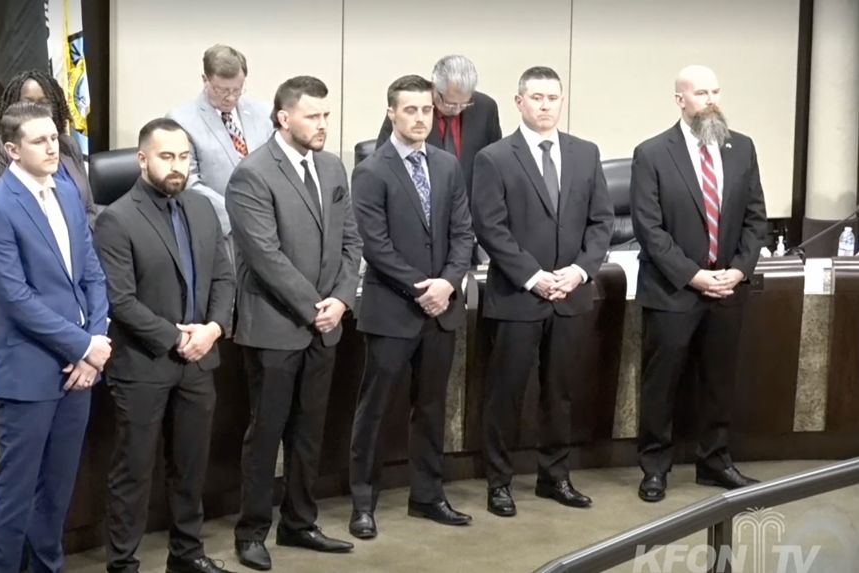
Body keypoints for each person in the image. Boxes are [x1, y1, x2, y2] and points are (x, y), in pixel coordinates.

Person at [0, 101, 111, 573]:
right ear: (12, 150)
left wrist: (96, 340)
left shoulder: (68, 190)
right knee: (15, 494)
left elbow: (91, 272)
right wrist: (83, 345)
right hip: (30, 373)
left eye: (54, 138)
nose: (53, 147)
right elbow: (16, 298)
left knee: (57, 492)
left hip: (79, 371)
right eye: (39, 141)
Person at [227, 76, 362, 571]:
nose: (323, 125)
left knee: (309, 432)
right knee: (267, 433)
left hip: (325, 326)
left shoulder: (332, 167)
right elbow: (265, 256)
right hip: (275, 327)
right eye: (313, 116)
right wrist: (315, 305)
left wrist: (342, 300)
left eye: (326, 116)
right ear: (284, 118)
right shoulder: (252, 174)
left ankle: (300, 523)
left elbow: (351, 243)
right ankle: (252, 531)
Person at [95, 118, 236, 573]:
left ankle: (187, 554)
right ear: (142, 159)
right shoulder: (117, 218)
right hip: (143, 364)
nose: (176, 167)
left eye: (183, 157)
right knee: (134, 472)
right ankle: (123, 563)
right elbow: (121, 300)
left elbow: (224, 276)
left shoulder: (201, 208)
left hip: (199, 360)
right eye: (166, 157)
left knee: (190, 467)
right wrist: (176, 337)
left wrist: (213, 328)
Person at [471, 66, 612, 518]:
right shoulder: (494, 158)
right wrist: (534, 277)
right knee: (506, 392)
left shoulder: (586, 154)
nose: (546, 105)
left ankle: (556, 477)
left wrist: (579, 272)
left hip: (571, 295)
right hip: (518, 296)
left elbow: (601, 221)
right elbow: (490, 228)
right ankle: (499, 483)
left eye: (553, 97)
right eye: (536, 97)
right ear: (519, 102)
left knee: (561, 393)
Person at [631, 65, 768, 502]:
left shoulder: (741, 148)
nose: (711, 100)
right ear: (680, 100)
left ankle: (714, 461)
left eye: (715, 91)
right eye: (701, 92)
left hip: (727, 289)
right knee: (662, 384)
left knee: (718, 380)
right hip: (673, 290)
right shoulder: (652, 153)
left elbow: (755, 218)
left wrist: (739, 270)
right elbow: (649, 230)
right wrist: (695, 275)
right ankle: (655, 468)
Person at [347, 75, 475, 540]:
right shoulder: (372, 170)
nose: (420, 118)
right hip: (392, 310)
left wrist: (447, 282)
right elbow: (374, 246)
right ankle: (364, 503)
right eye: (410, 110)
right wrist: (422, 287)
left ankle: (428, 495)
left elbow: (463, 232)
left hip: (441, 310)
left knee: (432, 407)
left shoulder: (447, 165)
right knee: (376, 409)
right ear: (391, 114)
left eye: (426, 110)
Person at [167, 44, 275, 236]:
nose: (231, 97)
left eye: (238, 89)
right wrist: (237, 216)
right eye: (222, 90)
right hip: (219, 228)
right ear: (205, 80)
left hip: (268, 224)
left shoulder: (263, 113)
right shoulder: (181, 121)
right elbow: (188, 182)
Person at [0, 69, 96, 225]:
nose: (37, 109)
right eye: (28, 102)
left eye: (44, 103)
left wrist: (84, 245)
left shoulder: (68, 144)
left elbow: (89, 209)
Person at [377, 55, 502, 197]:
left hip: (470, 205)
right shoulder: (410, 110)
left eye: (464, 103)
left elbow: (494, 163)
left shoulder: (485, 107)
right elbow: (384, 160)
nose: (457, 110)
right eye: (450, 103)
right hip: (422, 202)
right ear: (434, 88)